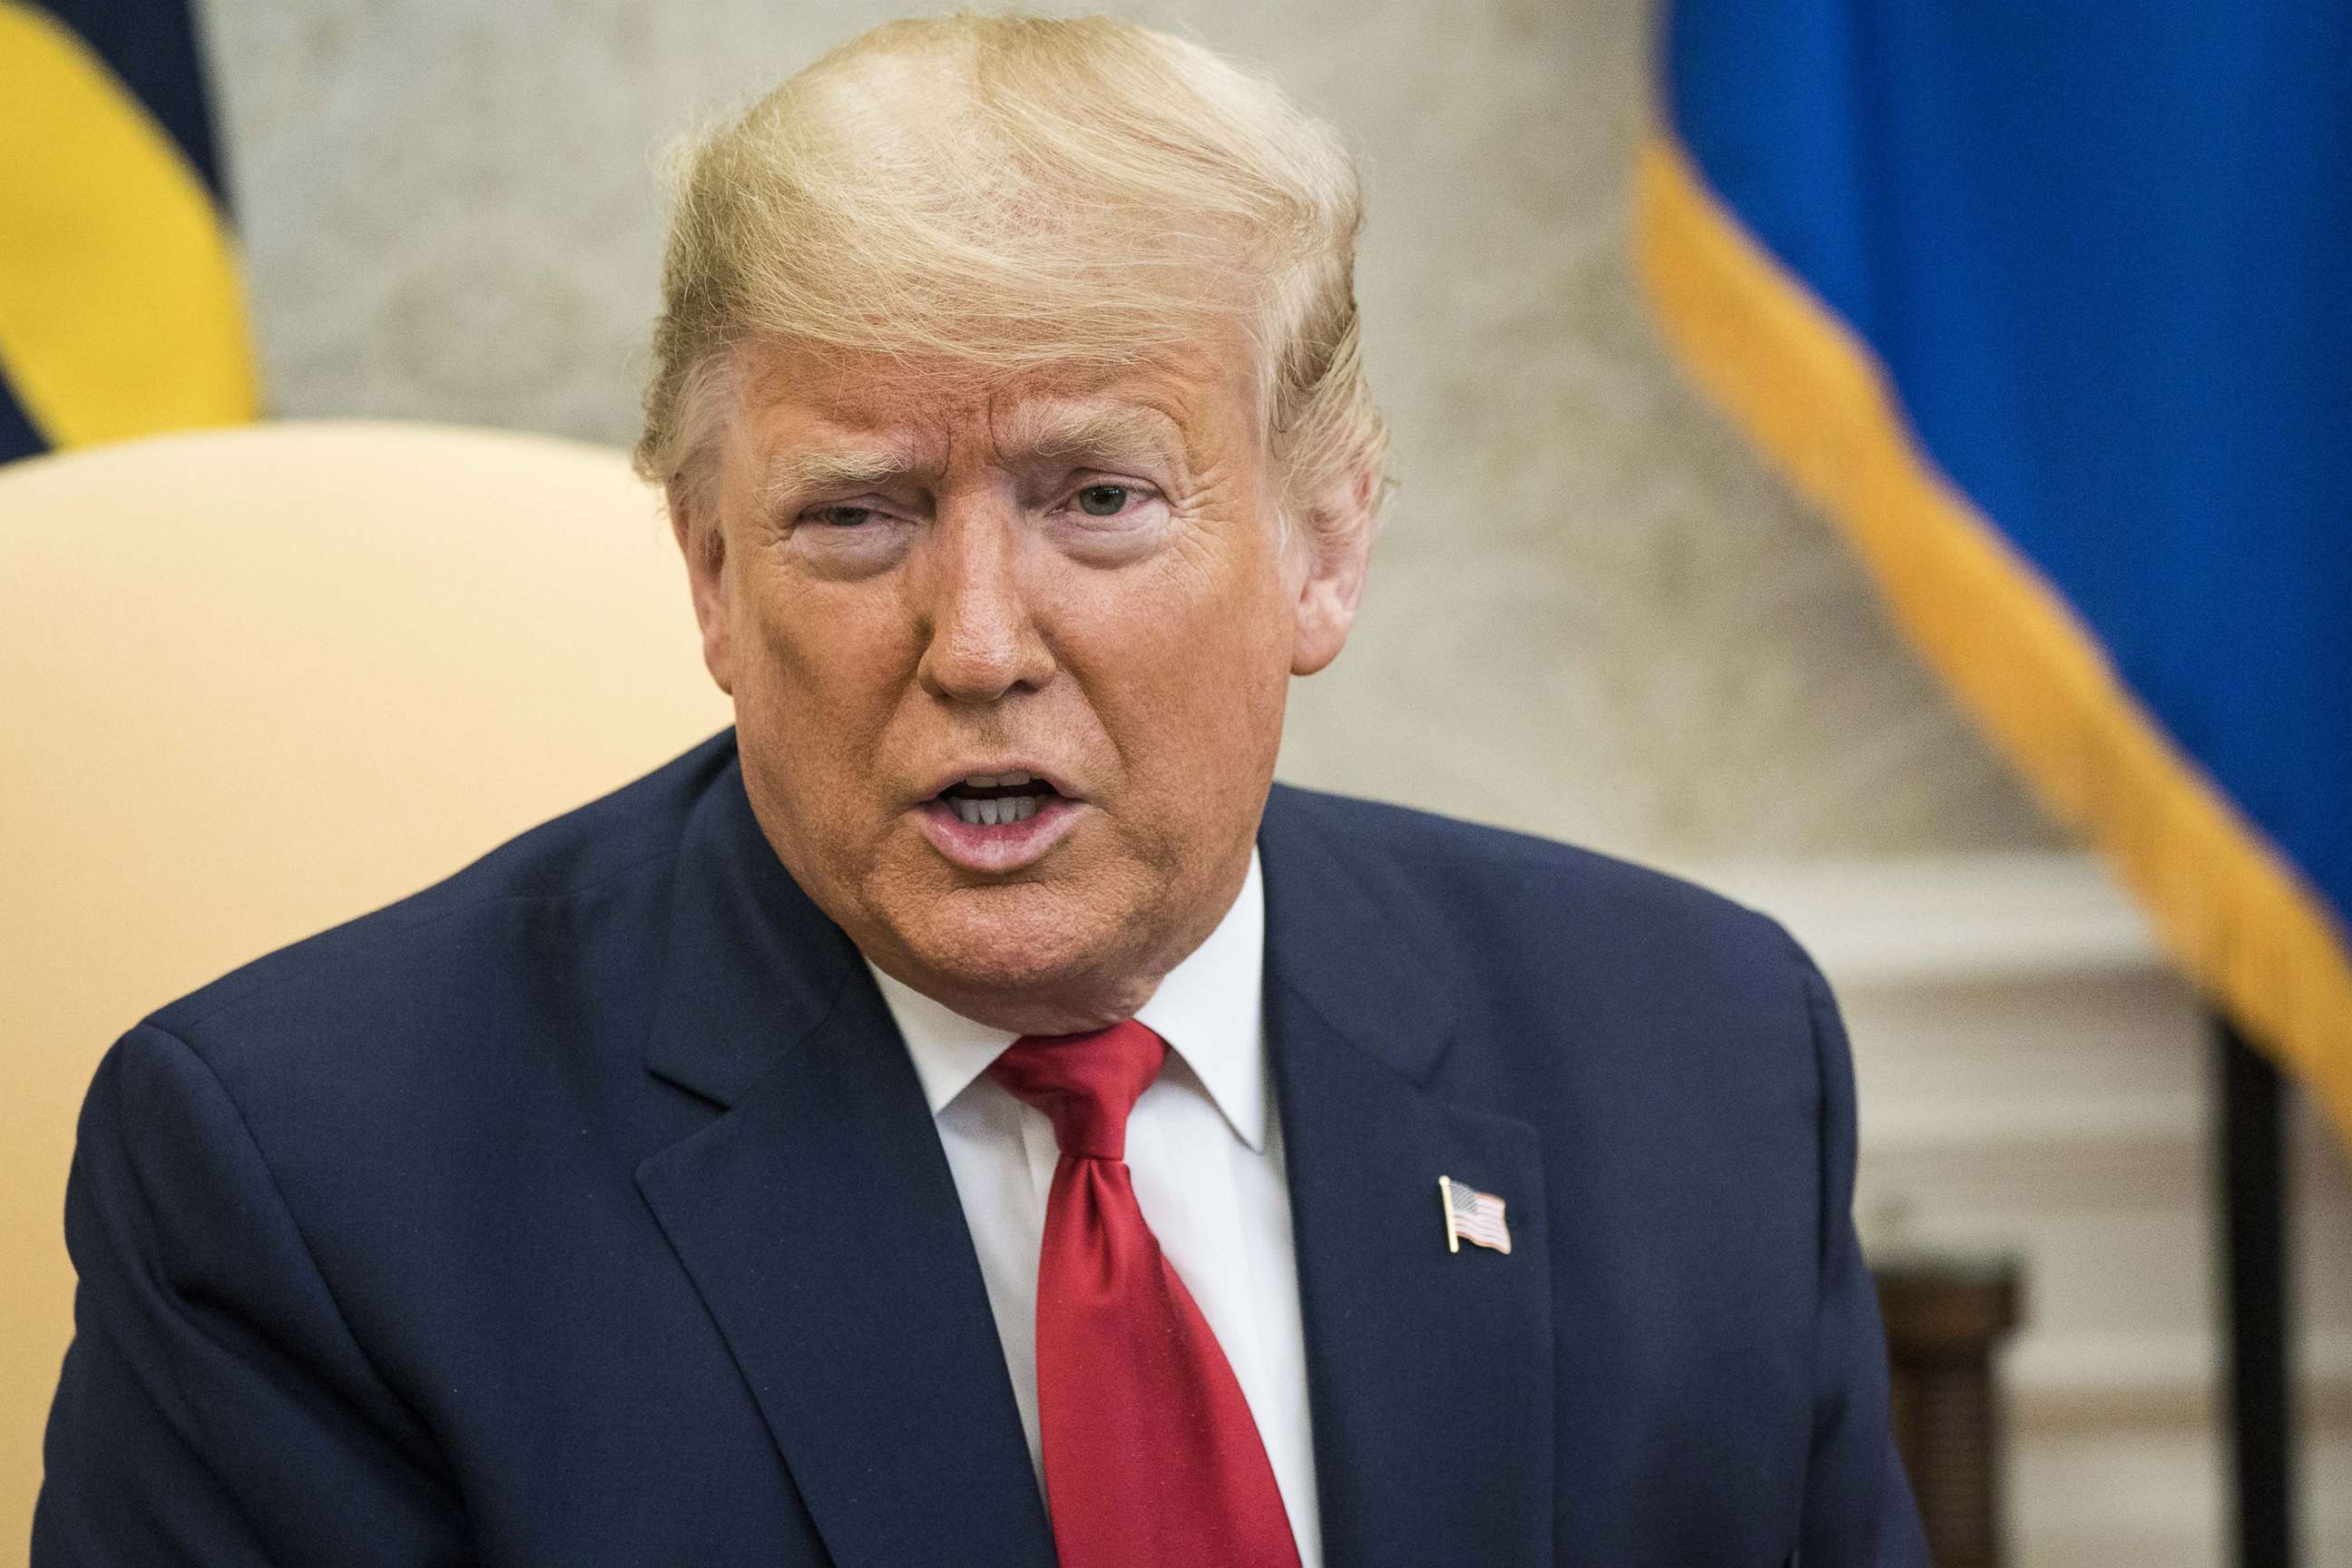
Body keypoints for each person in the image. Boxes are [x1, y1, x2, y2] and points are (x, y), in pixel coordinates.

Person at [34, 15, 1927, 1566]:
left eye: (1098, 499)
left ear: (1323, 545)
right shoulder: (310, 1190)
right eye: (854, 517)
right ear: (709, 572)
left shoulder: (1696, 1061)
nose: (978, 643)